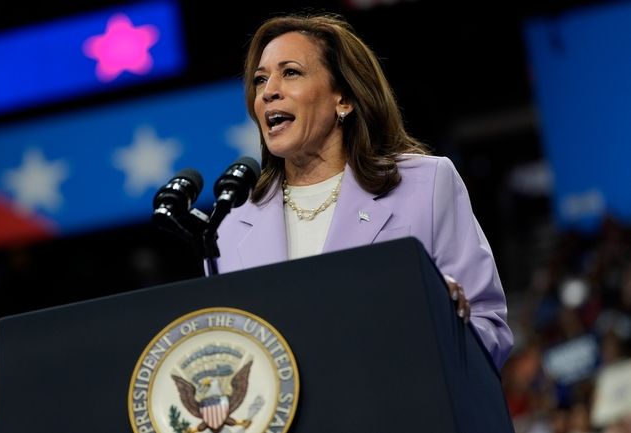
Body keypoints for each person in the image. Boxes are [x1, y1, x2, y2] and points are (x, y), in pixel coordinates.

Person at [213, 12, 513, 370]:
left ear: (343, 98)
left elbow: (489, 327)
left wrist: (444, 321)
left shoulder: (425, 185)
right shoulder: (230, 225)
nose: (268, 91)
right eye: (260, 80)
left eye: (290, 72)